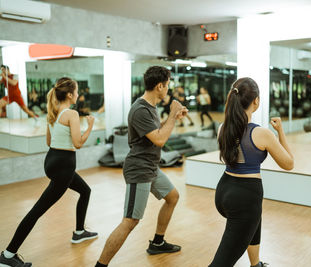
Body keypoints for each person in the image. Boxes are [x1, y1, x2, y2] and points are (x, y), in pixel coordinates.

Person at [95, 66, 188, 267]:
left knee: (172, 197)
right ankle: (100, 265)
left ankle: (157, 242)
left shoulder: (150, 108)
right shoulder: (140, 109)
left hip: (151, 166)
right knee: (130, 220)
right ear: (160, 86)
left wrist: (172, 118)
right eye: (167, 85)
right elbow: (160, 140)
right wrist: (172, 115)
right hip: (139, 168)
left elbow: (156, 132)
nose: (168, 90)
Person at [0, 77, 98, 267]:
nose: (78, 94)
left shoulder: (53, 112)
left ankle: (79, 232)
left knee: (85, 191)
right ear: (69, 95)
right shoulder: (71, 114)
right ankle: (8, 255)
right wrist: (90, 126)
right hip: (64, 166)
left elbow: (48, 142)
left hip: (52, 160)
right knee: (37, 211)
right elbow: (78, 143)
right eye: (76, 91)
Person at [210, 77, 294, 267]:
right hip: (245, 198)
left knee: (254, 220)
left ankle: (255, 264)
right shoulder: (261, 134)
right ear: (255, 101)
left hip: (224, 191)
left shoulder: (222, 128)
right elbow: (289, 163)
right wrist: (280, 131)